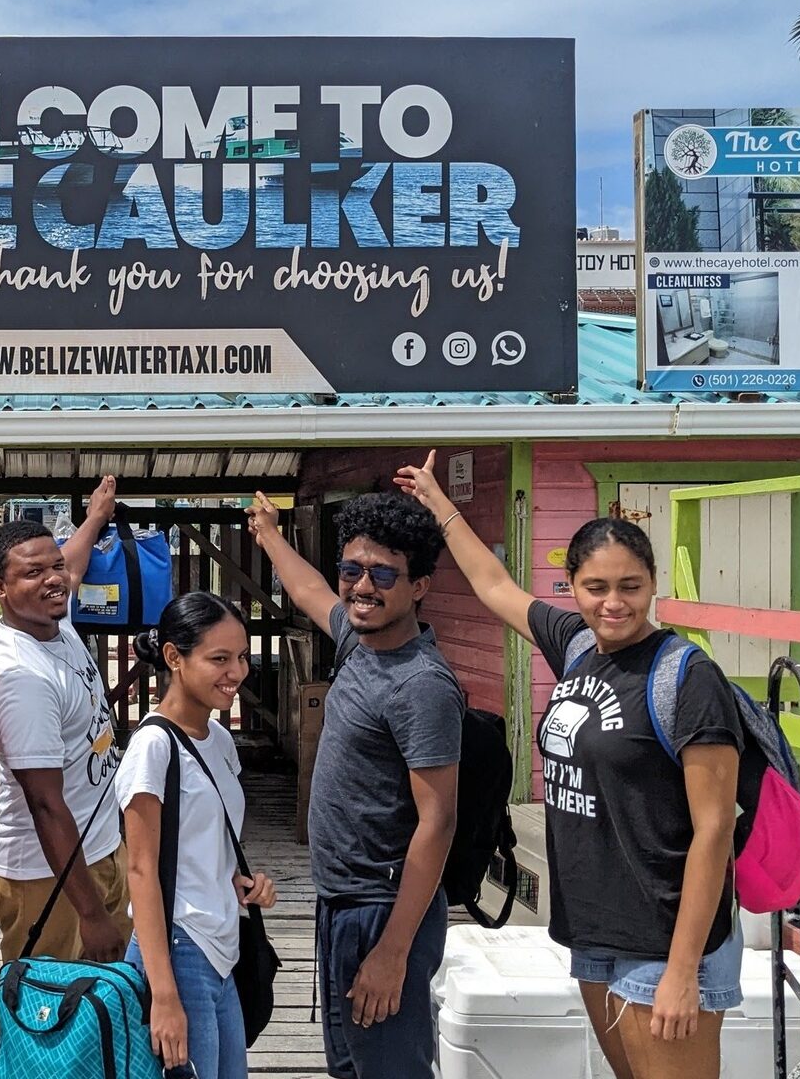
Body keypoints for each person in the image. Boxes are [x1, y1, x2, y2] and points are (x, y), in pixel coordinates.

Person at [395, 451, 742, 1079]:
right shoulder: (579, 646)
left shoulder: (688, 679)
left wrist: (684, 970)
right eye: (597, 587)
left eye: (630, 586)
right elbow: (495, 586)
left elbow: (714, 829)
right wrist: (440, 505)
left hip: (665, 941)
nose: (614, 603)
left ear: (652, 584)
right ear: (573, 587)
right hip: (595, 931)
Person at [245, 490, 461, 1079]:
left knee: (389, 1069)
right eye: (353, 569)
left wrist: (391, 955)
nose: (362, 587)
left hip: (383, 908)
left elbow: (438, 822)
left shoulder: (421, 685)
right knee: (350, 1067)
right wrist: (268, 535)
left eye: (383, 574)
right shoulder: (359, 642)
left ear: (418, 586)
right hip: (340, 902)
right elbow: (310, 590)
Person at [117, 592, 278, 1079]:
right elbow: (141, 870)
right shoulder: (152, 747)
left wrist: (241, 882)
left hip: (223, 947)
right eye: (219, 659)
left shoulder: (221, 740)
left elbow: (206, 847)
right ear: (173, 657)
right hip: (179, 950)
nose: (237, 672)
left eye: (242, 657)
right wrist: (163, 995)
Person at [0, 476, 131, 969]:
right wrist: (90, 913)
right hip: (45, 876)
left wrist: (96, 517)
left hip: (96, 850)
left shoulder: (52, 621)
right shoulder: (22, 676)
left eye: (55, 567)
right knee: (44, 1020)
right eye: (33, 572)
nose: (54, 578)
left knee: (99, 1008)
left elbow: (76, 559)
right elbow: (45, 803)